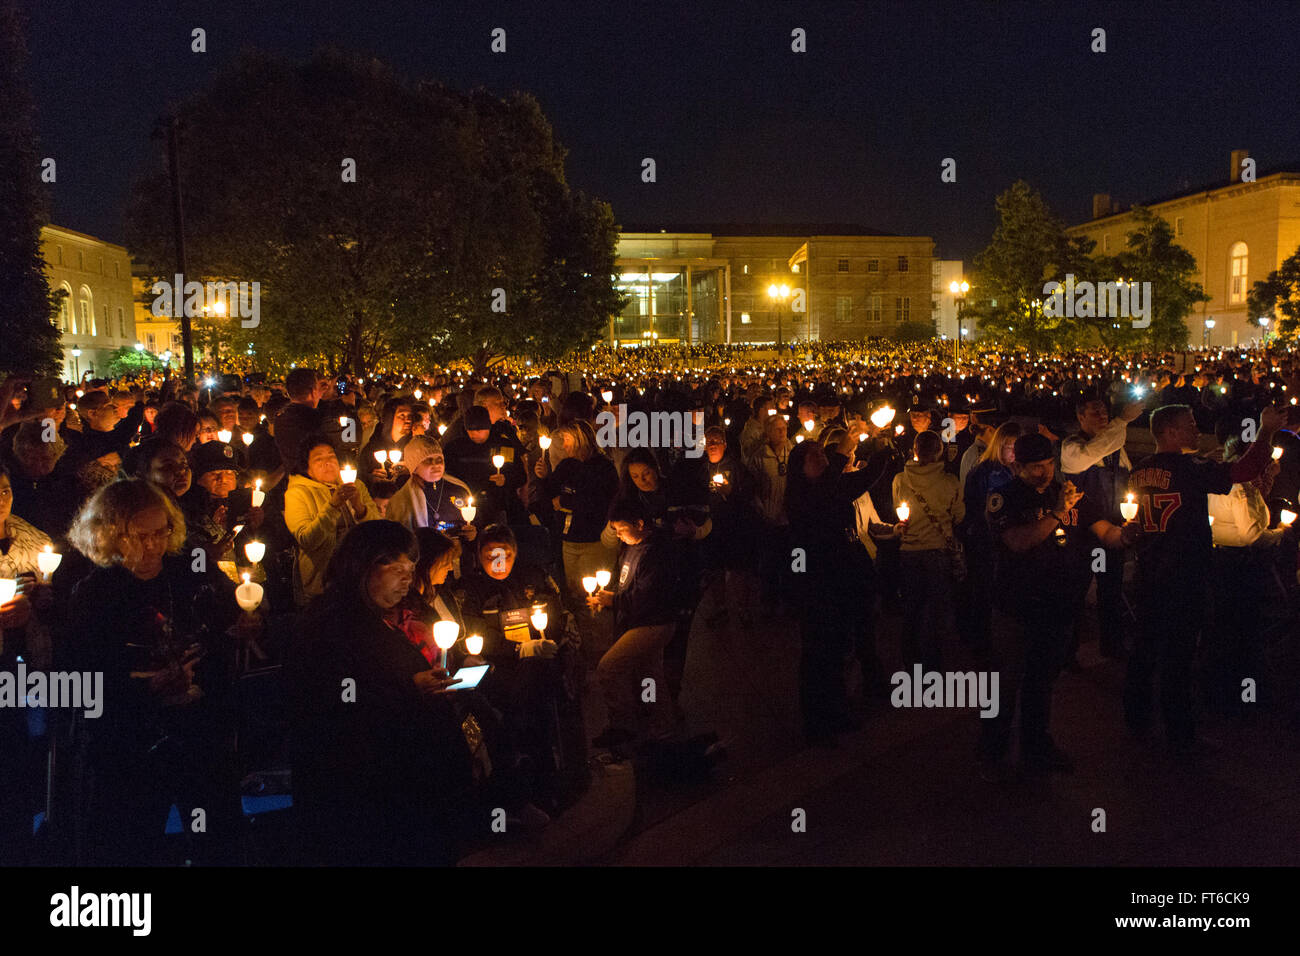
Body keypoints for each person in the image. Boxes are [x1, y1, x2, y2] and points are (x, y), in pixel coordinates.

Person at [65, 479, 250, 864]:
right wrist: (147, 691)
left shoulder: (191, 571)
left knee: (217, 841)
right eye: (139, 536)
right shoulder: (94, 594)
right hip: (131, 746)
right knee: (133, 845)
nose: (153, 546)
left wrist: (245, 625)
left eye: (161, 533)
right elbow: (80, 682)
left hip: (201, 737)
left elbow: (227, 620)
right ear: (110, 536)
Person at [287, 520, 472, 865]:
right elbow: (333, 702)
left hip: (405, 790)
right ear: (362, 565)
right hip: (365, 795)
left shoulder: (379, 619)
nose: (406, 578)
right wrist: (409, 688)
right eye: (395, 566)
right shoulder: (328, 626)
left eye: (411, 568)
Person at [1124, 403, 1282, 755]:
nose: (1197, 429)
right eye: (1190, 425)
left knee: (1145, 650)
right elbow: (1246, 469)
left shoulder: (1141, 469)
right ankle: (1180, 736)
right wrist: (1266, 430)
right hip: (1184, 575)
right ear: (1170, 432)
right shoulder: (1191, 467)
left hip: (1149, 573)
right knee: (1178, 658)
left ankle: (1136, 721)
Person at [979, 433, 1139, 781]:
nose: (1045, 472)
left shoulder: (1067, 493)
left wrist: (1126, 534)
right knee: (1006, 683)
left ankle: (1037, 746)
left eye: (1049, 464)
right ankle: (993, 751)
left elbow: (1103, 531)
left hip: (1057, 606)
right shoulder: (1003, 498)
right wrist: (1056, 514)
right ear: (1017, 465)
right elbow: (1019, 542)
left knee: (1042, 681)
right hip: (1016, 607)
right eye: (1035, 466)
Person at [785, 430, 896, 743]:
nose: (822, 459)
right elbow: (817, 507)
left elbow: (867, 476)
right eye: (815, 456)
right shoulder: (801, 496)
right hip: (819, 582)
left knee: (844, 643)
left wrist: (881, 445)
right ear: (799, 467)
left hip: (848, 571)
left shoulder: (833, 485)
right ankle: (820, 720)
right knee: (822, 651)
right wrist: (839, 453)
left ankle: (840, 706)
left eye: (823, 454)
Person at [586, 497, 679, 749]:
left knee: (608, 667)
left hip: (654, 624)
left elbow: (647, 595)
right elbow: (628, 583)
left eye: (620, 529)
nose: (617, 535)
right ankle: (659, 728)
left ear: (639, 523)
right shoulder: (632, 546)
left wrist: (614, 601)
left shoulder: (656, 551)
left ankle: (623, 725)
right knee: (650, 676)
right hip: (642, 621)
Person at [1061, 393, 1143, 660]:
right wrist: (1123, 420)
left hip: (1114, 532)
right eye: (1094, 411)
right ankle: (1066, 650)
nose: (1102, 415)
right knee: (1074, 593)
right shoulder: (1073, 446)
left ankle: (1112, 644)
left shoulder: (1116, 450)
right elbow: (1096, 449)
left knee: (1112, 591)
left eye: (1105, 411)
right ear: (1080, 416)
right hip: (1083, 535)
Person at [892, 430, 965, 670]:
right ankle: (934, 664)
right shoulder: (949, 482)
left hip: (909, 551)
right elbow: (959, 515)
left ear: (915, 451)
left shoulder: (900, 480)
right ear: (939, 452)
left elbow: (899, 511)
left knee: (912, 609)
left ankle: (911, 662)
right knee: (937, 610)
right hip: (937, 552)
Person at [284, 435, 380, 606]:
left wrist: (359, 507)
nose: (328, 463)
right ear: (307, 468)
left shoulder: (355, 485)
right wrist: (333, 506)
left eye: (331, 456)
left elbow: (377, 529)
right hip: (323, 583)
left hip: (361, 576)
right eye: (318, 459)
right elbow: (307, 540)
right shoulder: (297, 494)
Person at [958, 422, 1019, 653]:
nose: (1014, 453)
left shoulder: (1019, 470)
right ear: (998, 446)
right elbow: (972, 508)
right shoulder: (984, 471)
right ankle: (979, 643)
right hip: (985, 541)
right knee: (982, 592)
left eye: (1017, 447)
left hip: (1009, 541)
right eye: (1009, 447)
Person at [385, 434, 477, 541]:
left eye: (439, 459)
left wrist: (472, 534)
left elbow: (476, 523)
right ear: (414, 467)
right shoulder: (401, 501)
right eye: (428, 460)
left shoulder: (459, 488)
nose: (436, 464)